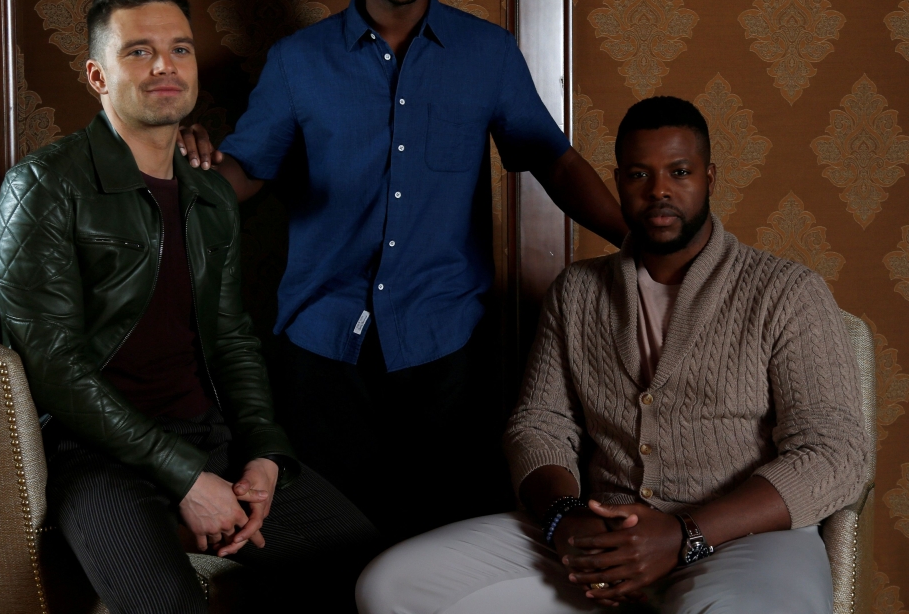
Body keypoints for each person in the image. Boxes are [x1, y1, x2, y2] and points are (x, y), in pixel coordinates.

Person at [177, 0, 628, 542]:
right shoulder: (298, 61)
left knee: (441, 543)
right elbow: (248, 169)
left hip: (445, 345)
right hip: (320, 344)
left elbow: (552, 159)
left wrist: (637, 240)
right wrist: (200, 174)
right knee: (327, 549)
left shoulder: (488, 54)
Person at [356, 96, 870, 614]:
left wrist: (684, 534)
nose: (660, 190)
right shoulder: (577, 292)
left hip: (744, 537)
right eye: (639, 174)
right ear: (619, 181)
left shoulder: (786, 292)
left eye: (679, 171)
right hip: (603, 532)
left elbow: (836, 454)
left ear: (709, 178)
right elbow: (539, 426)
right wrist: (565, 519)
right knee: (394, 585)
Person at [0, 0, 378, 614]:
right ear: (97, 76)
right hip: (94, 453)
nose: (165, 64)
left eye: (180, 49)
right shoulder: (41, 187)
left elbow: (231, 340)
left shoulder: (210, 195)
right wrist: (186, 480)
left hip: (208, 434)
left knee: (369, 571)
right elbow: (55, 371)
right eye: (138, 51)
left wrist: (265, 455)